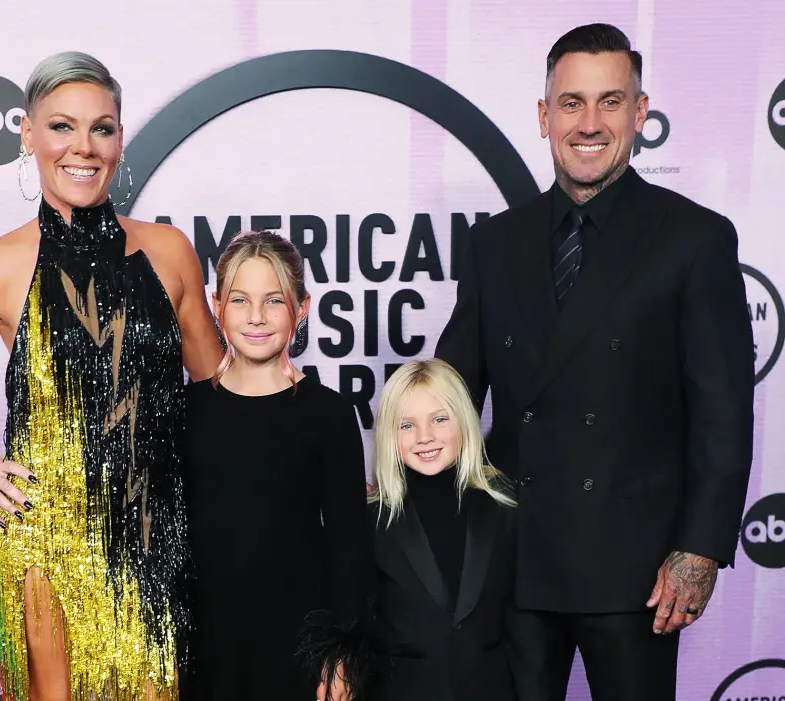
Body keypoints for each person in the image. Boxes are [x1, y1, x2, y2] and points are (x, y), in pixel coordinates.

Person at [435, 23, 754, 701]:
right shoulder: (495, 243)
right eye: (572, 103)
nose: (590, 122)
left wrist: (700, 549)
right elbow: (452, 388)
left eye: (610, 101)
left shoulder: (693, 238)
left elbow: (723, 411)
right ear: (545, 115)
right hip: (517, 558)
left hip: (636, 568)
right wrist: (400, 486)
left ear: (640, 114)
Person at [0, 51, 222, 701]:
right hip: (45, 544)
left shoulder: (169, 254)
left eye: (102, 127)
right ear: (27, 134)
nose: (83, 146)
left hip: (153, 538)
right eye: (62, 126)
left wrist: (285, 389)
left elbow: (218, 381)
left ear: (117, 137)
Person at [180, 231, 371, 701]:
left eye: (274, 301)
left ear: (302, 307)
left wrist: (342, 652)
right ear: (216, 305)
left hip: (299, 648)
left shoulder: (328, 413)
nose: (257, 318)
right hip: (204, 644)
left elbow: (350, 545)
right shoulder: (186, 411)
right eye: (241, 300)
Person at [365, 358, 531, 701]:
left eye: (439, 420)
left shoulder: (506, 507)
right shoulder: (370, 520)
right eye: (406, 425)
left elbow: (528, 629)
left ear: (464, 422)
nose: (425, 437)